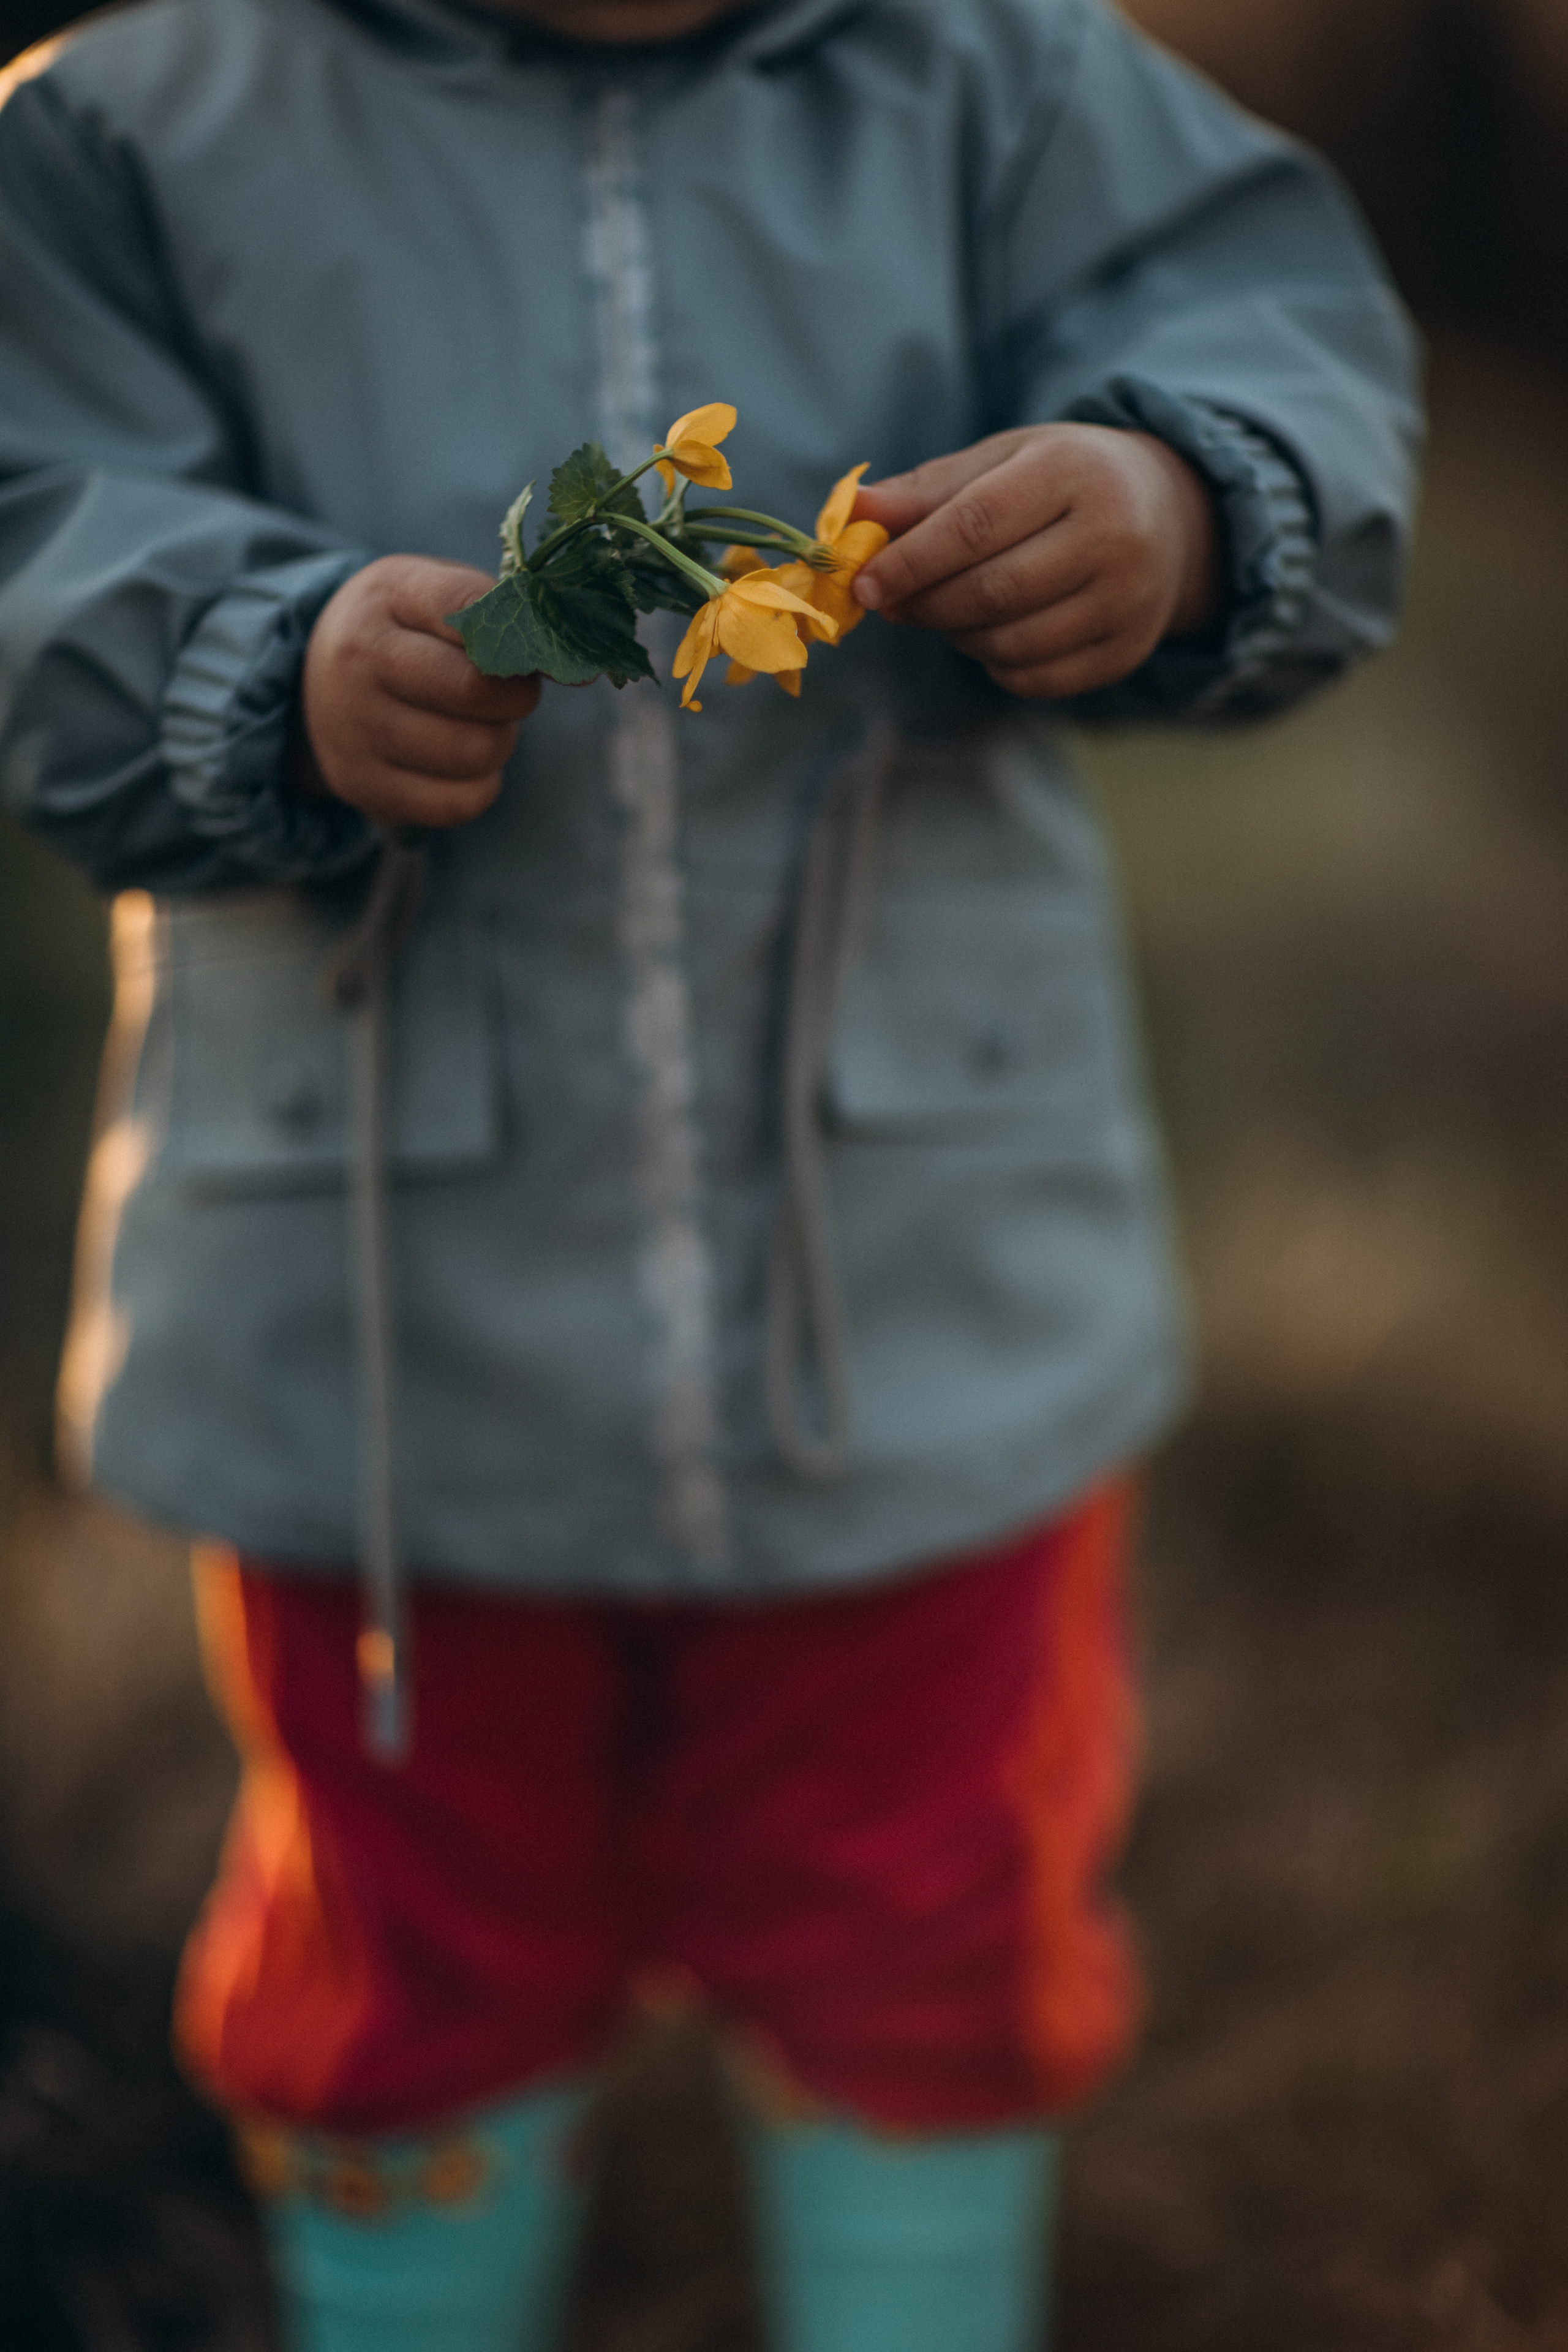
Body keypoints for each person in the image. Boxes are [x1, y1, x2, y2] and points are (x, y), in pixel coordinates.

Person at [0, 0, 1420, 2343]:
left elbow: (1287, 340)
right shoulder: (125, 130)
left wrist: (1180, 504)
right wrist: (260, 663)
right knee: (408, 1938)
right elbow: (34, 525)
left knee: (933, 1914)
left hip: (918, 1323)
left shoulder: (1008, 78)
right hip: (392, 1370)